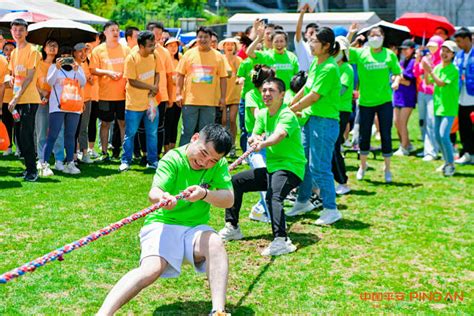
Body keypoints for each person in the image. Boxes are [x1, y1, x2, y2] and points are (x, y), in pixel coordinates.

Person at [97, 124, 234, 316]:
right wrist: (163, 199)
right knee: (151, 270)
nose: (205, 163)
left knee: (215, 243)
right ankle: (103, 313)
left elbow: (229, 199)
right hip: (162, 223)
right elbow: (154, 192)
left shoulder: (219, 165)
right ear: (195, 138)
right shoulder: (173, 159)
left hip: (194, 229)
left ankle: (218, 311)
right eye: (203, 154)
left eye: (212, 160)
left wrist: (204, 193)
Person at [219, 78, 305, 256]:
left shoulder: (286, 114)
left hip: (291, 168)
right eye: (264, 90)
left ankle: (282, 240)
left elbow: (279, 135)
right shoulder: (263, 114)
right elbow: (255, 134)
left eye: (271, 91)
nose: (266, 94)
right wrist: (254, 139)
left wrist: (263, 144)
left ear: (282, 95)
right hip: (273, 168)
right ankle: (232, 226)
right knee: (236, 181)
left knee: (273, 196)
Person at [289, 27, 342, 225]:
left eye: (314, 41)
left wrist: (291, 109)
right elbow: (306, 87)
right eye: (310, 40)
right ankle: (303, 201)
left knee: (319, 167)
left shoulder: (329, 67)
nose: (310, 45)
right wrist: (292, 102)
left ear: (326, 45)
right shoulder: (316, 64)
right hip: (311, 120)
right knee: (303, 163)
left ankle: (331, 208)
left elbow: (314, 96)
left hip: (324, 122)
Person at [349, 26, 402, 182]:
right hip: (365, 102)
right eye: (371, 35)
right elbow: (343, 52)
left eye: (378, 35)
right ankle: (362, 166)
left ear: (383, 37)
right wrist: (353, 35)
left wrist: (396, 81)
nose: (375, 38)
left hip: (384, 101)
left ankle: (387, 169)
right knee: (364, 135)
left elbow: (397, 72)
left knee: (386, 134)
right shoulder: (361, 53)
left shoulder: (389, 55)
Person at [176, 26, 227, 146]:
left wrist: (223, 97)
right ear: (196, 38)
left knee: (205, 134)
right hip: (190, 101)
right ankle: (182, 158)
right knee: (187, 132)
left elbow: (223, 78)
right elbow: (180, 74)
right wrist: (178, 94)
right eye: (200, 37)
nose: (203, 39)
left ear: (211, 39)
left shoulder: (218, 56)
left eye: (206, 37)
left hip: (209, 102)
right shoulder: (188, 54)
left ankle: (203, 159)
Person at [40, 45, 86, 176]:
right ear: (59, 57)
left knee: (70, 136)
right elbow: (50, 82)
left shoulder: (77, 68)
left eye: (68, 56)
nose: (66, 58)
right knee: (52, 135)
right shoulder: (54, 67)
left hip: (74, 106)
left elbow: (82, 83)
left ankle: (70, 163)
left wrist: (76, 70)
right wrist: (57, 68)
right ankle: (44, 164)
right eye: (63, 56)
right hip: (57, 106)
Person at [119, 31, 161, 172]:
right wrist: (151, 87)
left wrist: (155, 87)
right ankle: (125, 161)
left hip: (151, 103)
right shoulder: (131, 58)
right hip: (134, 105)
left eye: (153, 44)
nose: (153, 47)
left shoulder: (154, 55)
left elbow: (157, 72)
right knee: (130, 134)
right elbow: (131, 81)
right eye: (150, 45)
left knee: (152, 133)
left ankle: (153, 161)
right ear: (141, 46)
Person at [90, 21, 131, 162]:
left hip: (123, 94)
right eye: (112, 30)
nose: (115, 32)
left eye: (117, 30)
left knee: (123, 123)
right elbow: (93, 70)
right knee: (105, 123)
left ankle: (125, 154)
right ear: (105, 32)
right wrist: (108, 73)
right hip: (105, 95)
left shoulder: (126, 50)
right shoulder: (98, 50)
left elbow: (131, 69)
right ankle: (104, 152)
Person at [8, 18, 43, 181]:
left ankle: (33, 171)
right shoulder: (14, 52)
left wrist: (15, 97)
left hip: (28, 99)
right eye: (15, 30)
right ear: (11, 32)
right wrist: (9, 79)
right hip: (17, 100)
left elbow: (29, 77)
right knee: (20, 138)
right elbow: (15, 75)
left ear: (26, 32)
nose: (18, 33)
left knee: (26, 135)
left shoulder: (33, 51)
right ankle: (28, 168)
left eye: (21, 30)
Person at [422, 41, 460, 176]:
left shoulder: (453, 69)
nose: (444, 53)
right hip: (438, 107)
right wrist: (426, 70)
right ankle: (446, 162)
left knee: (444, 136)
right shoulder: (437, 67)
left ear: (453, 55)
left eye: (448, 51)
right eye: (443, 50)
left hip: (449, 108)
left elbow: (441, 83)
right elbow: (427, 82)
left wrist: (430, 70)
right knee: (438, 137)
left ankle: (450, 164)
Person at [244, 64, 276, 223]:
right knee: (263, 176)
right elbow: (257, 115)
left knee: (271, 176)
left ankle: (259, 209)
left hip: (270, 140)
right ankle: (270, 213)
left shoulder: (272, 96)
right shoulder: (251, 95)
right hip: (256, 141)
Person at [35, 39, 65, 174]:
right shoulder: (39, 64)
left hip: (58, 102)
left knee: (58, 131)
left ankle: (59, 159)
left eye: (55, 45)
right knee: (41, 130)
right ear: (44, 48)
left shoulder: (62, 65)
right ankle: (41, 159)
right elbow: (34, 82)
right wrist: (42, 94)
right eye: (50, 45)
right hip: (41, 101)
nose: (53, 47)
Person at [147, 21, 174, 159]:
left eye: (160, 34)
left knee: (158, 127)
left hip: (161, 96)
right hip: (142, 95)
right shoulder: (137, 50)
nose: (157, 37)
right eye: (154, 34)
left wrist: (170, 96)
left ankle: (156, 154)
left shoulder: (164, 52)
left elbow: (170, 76)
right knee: (142, 127)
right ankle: (144, 154)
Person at [414, 35, 444, 161]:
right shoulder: (426, 58)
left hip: (433, 94)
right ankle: (427, 148)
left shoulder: (441, 61)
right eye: (430, 45)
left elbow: (436, 79)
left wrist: (429, 68)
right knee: (422, 121)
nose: (431, 48)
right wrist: (417, 59)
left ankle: (432, 151)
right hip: (422, 92)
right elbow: (416, 73)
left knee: (431, 122)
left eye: (434, 45)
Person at [247, 22, 299, 93]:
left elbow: (295, 78)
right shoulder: (266, 55)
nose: (279, 44)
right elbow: (249, 52)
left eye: (281, 41)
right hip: (270, 96)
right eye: (276, 41)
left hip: (288, 97)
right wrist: (259, 38)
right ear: (272, 42)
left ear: (286, 43)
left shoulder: (292, 57)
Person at [332, 36, 354, 195]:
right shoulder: (332, 66)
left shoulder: (346, 68)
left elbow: (342, 90)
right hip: (331, 110)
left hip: (341, 110)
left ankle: (342, 181)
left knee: (334, 146)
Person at [454, 27, 474, 164]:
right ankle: (467, 153)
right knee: (464, 127)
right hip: (461, 97)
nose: (458, 45)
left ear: (468, 39)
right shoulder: (459, 56)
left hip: (473, 96)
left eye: (460, 41)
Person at [393, 39, 417, 156]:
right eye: (402, 49)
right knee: (396, 122)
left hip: (408, 97)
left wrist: (398, 77)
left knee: (402, 122)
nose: (403, 51)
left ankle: (404, 147)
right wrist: (399, 77)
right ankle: (406, 144)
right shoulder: (403, 61)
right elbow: (398, 76)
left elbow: (408, 80)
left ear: (412, 49)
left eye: (406, 49)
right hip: (398, 96)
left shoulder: (413, 61)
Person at [219, 37, 243, 158]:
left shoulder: (239, 60)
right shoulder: (220, 59)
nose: (229, 46)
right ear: (223, 47)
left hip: (234, 94)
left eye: (231, 44)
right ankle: (223, 145)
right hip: (222, 94)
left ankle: (233, 146)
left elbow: (241, 74)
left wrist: (239, 80)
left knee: (232, 119)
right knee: (223, 121)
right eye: (227, 44)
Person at [74, 42, 95, 164]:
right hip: (74, 100)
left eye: (84, 51)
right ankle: (74, 154)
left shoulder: (87, 62)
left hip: (86, 99)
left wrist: (90, 79)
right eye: (79, 51)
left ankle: (85, 153)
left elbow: (91, 81)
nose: (83, 54)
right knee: (73, 129)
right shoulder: (72, 64)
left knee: (83, 128)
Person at [164, 37, 182, 153]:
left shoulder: (181, 59)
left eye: (175, 46)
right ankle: (165, 149)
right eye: (170, 46)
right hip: (167, 97)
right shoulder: (164, 60)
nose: (173, 48)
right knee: (167, 124)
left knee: (175, 124)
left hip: (178, 98)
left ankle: (172, 148)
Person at [294, 3, 318, 72]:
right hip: (303, 79)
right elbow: (298, 30)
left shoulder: (321, 48)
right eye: (311, 33)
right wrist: (302, 13)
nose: (313, 36)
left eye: (315, 33)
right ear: (305, 35)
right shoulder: (302, 45)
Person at [1, 42, 15, 155]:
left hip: (17, 99)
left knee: (19, 124)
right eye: (6, 49)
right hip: (5, 99)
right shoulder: (2, 63)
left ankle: (19, 148)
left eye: (11, 49)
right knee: (7, 123)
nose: (9, 52)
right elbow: (3, 83)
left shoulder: (17, 63)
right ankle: (8, 146)